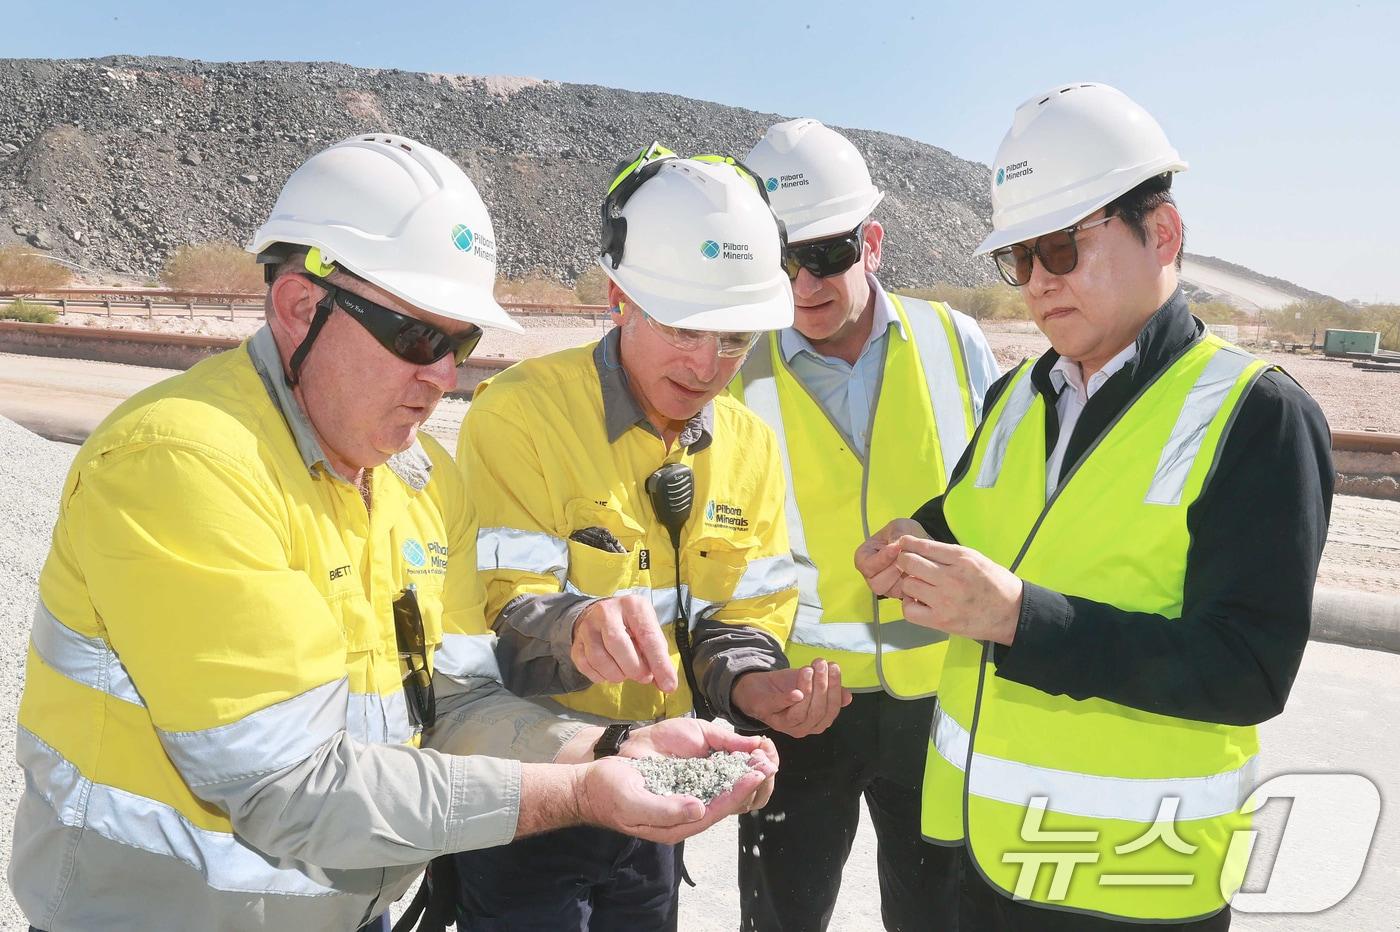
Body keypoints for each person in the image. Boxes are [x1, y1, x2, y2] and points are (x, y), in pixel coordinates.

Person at [8, 134, 776, 932]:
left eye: (460, 344)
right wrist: (581, 793)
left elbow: (457, 698)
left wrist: (611, 749)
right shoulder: (182, 463)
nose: (443, 377)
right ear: (300, 308)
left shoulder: (419, 482)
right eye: (416, 339)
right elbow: (288, 790)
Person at [857, 83, 1333, 930]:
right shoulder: (1019, 395)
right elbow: (972, 517)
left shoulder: (1257, 415)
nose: (1038, 284)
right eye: (1019, 259)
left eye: (1062, 250)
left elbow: (1248, 667)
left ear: (1165, 234)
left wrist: (1019, 620)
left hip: (1128, 886)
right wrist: (913, 540)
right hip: (977, 862)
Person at [449, 146, 847, 931]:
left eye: (735, 339)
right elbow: (491, 614)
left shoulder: (750, 446)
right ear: (618, 295)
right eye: (684, 328)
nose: (707, 365)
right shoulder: (520, 414)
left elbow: (742, 613)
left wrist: (753, 683)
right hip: (534, 789)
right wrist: (578, 631)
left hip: (659, 784)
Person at [728, 118, 1000, 931]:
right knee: (780, 918)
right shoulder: (732, 370)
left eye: (825, 254)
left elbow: (1004, 499)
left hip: (937, 700)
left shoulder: (957, 342)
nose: (803, 282)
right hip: (800, 703)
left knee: (937, 916)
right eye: (781, 260)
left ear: (872, 241)